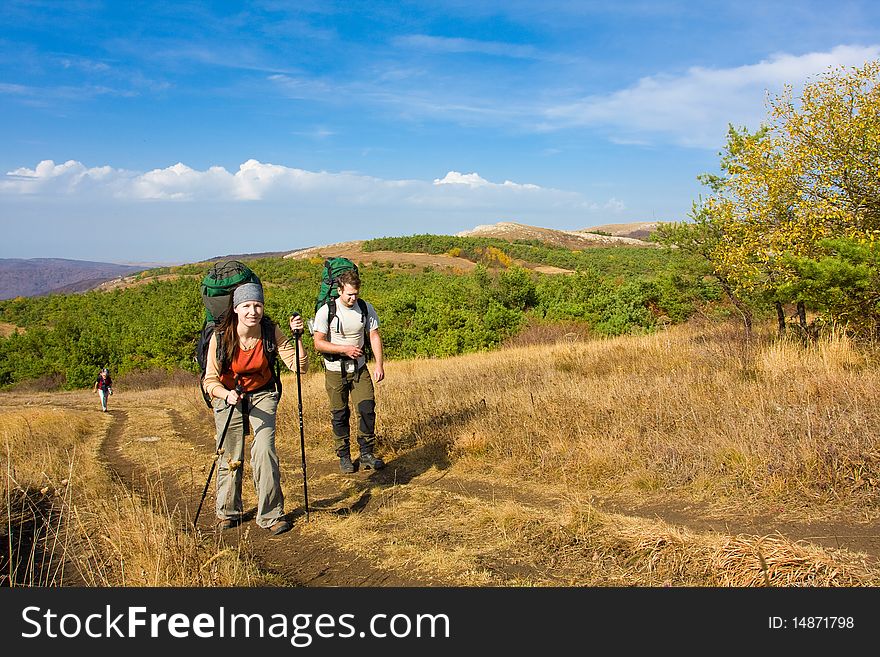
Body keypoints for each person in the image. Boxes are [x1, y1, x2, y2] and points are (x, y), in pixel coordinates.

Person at [202, 282, 309, 535]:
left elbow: (299, 366)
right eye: (247, 306)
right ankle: (227, 511)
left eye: (258, 305)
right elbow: (209, 380)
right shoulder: (221, 336)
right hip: (229, 395)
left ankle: (272, 514)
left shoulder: (271, 332)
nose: (253, 311)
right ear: (237, 308)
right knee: (232, 454)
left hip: (263, 393)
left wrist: (298, 338)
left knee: (264, 451)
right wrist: (225, 395)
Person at [312, 269, 385, 474]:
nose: (353, 298)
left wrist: (379, 365)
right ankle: (344, 455)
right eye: (349, 294)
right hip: (335, 369)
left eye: (356, 294)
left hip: (360, 368)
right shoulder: (327, 311)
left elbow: (374, 336)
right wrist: (344, 349)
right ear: (339, 290)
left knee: (367, 408)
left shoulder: (365, 308)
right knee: (340, 413)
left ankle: (366, 453)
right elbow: (318, 343)